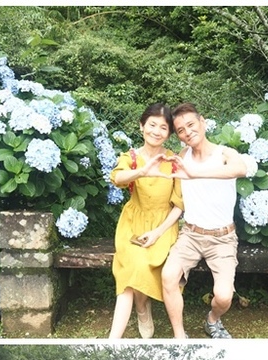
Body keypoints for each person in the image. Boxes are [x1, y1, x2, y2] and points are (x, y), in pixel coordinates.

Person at [161, 102, 258, 339]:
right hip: (190, 235)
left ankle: (212, 320)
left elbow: (239, 169)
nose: (187, 132)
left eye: (191, 125)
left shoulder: (225, 153)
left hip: (223, 238)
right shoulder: (182, 156)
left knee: (224, 297)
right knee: (168, 276)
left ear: (202, 122)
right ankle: (179, 336)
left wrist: (195, 173)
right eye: (181, 130)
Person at [108, 104, 183, 339]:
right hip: (133, 222)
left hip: (164, 225)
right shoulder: (131, 158)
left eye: (163, 127)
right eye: (152, 125)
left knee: (143, 263)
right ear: (142, 126)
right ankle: (128, 324)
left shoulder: (173, 161)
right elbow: (117, 178)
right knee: (133, 264)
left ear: (169, 133)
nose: (156, 131)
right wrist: (142, 172)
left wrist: (158, 232)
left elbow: (179, 205)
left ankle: (141, 308)